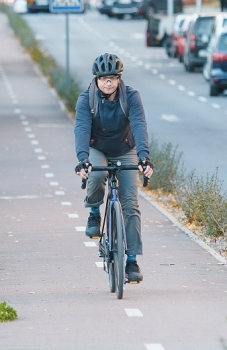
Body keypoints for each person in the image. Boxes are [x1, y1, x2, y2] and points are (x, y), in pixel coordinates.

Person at [74, 53, 154, 283]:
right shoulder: (86, 100)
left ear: (119, 79)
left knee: (131, 203)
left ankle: (131, 261)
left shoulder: (131, 97)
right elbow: (81, 128)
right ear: (96, 79)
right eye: (103, 79)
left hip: (124, 149)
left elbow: (139, 124)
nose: (108, 83)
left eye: (113, 78)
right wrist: (82, 159)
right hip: (97, 148)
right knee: (97, 172)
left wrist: (144, 157)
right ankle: (94, 212)